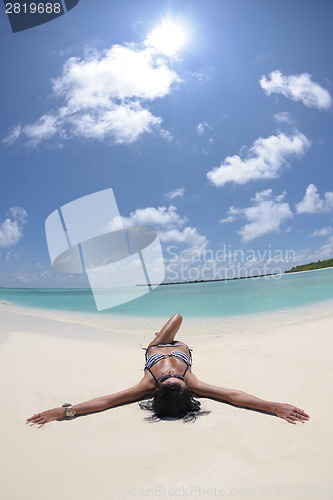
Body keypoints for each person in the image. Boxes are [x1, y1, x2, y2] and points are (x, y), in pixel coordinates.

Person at [26, 314, 310, 426]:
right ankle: (162, 335)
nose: (173, 376)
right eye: (178, 380)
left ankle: (158, 336)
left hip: (156, 345)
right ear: (187, 390)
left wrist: (64, 412)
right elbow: (234, 396)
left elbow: (106, 401)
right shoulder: (194, 384)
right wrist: (273, 407)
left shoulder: (147, 387)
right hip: (176, 345)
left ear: (159, 389)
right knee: (179, 316)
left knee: (175, 318)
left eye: (169, 380)